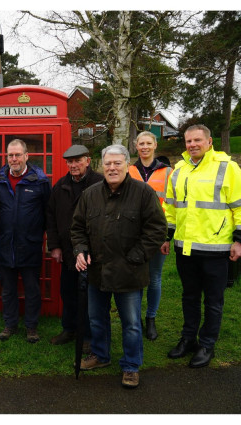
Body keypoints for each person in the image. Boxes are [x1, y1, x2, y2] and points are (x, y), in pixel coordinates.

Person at [72, 144, 166, 388]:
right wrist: (80, 250)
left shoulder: (144, 193)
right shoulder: (90, 194)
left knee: (132, 323)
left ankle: (131, 365)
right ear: (101, 166)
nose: (112, 168)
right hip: (97, 271)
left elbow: (157, 229)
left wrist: (136, 257)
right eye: (107, 164)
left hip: (129, 272)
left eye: (117, 163)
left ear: (127, 164)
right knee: (97, 319)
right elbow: (78, 228)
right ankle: (101, 356)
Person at [164, 124, 241, 368]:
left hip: (217, 248)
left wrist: (239, 240)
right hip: (186, 248)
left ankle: (207, 343)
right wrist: (167, 236)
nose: (192, 145)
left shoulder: (227, 167)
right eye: (188, 141)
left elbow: (239, 206)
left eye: (198, 140)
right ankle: (188, 339)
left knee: (214, 301)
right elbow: (171, 207)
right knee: (189, 297)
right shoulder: (179, 169)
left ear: (209, 142)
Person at [0, 139, 50, 343]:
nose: (14, 159)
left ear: (27, 156)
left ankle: (31, 326)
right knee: (8, 289)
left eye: (18, 154)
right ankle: (10, 324)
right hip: (5, 243)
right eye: (10, 155)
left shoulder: (40, 181)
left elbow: (48, 212)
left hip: (30, 244)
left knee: (32, 288)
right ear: (6, 157)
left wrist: (47, 239)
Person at [46, 145, 103, 348]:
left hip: (92, 252)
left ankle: (88, 335)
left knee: (89, 295)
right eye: (69, 161)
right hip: (68, 251)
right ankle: (69, 329)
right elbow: (50, 217)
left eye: (77, 160)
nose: (73, 165)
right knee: (68, 292)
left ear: (88, 161)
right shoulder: (60, 185)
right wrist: (54, 246)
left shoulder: (100, 183)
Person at [128, 131, 173, 341]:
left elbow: (174, 206)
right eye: (141, 143)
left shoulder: (168, 172)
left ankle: (151, 318)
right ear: (136, 146)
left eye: (148, 143)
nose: (144, 147)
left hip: (157, 233)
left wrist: (167, 237)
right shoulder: (128, 170)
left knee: (154, 278)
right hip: (133, 234)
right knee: (135, 278)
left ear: (155, 145)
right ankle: (134, 318)